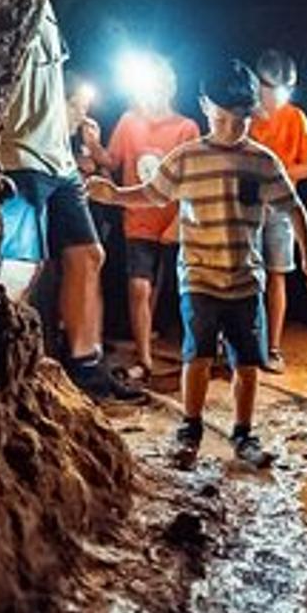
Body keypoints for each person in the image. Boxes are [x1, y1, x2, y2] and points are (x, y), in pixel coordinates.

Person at [87, 61, 307, 469]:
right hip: (198, 277)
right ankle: (191, 426)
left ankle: (244, 432)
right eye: (223, 118)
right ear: (205, 108)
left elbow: (294, 208)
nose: (234, 128)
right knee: (195, 357)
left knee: (247, 364)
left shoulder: (262, 161)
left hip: (246, 280)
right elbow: (152, 194)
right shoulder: (187, 158)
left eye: (242, 119)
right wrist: (113, 195)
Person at [0, 0, 144, 402]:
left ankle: (85, 365)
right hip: (20, 156)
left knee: (89, 254)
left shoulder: (47, 7)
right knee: (20, 264)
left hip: (57, 158)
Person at [103, 60, 199, 381]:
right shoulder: (129, 122)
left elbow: (192, 178)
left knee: (169, 286)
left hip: (173, 222)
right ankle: (144, 359)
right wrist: (90, 145)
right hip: (138, 218)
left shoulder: (186, 128)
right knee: (139, 285)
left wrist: (178, 224)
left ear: (169, 87)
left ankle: (200, 355)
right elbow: (111, 160)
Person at [247, 48, 307, 372]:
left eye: (281, 89)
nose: (274, 96)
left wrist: (278, 176)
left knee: (278, 273)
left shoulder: (296, 118)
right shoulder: (246, 117)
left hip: (281, 207)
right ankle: (242, 342)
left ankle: (273, 347)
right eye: (268, 88)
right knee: (247, 276)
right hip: (248, 206)